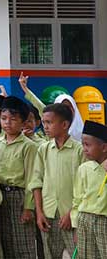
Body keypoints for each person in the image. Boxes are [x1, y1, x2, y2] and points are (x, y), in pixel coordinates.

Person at [30, 103, 83, 259]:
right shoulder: (44, 149)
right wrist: (39, 212)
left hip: (72, 215)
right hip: (48, 214)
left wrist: (71, 213)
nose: (45, 126)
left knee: (77, 253)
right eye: (43, 122)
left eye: (49, 122)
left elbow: (84, 187)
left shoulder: (79, 150)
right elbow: (36, 182)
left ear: (65, 124)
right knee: (50, 254)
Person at [0, 96, 37, 259]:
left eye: (13, 119)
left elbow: (32, 177)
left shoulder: (29, 146)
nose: (7, 123)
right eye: (3, 118)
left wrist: (28, 207)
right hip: (0, 194)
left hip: (19, 196)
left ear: (23, 123)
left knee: (23, 242)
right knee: (4, 240)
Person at [72, 120, 107, 258]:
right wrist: (75, 226)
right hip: (84, 220)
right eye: (82, 144)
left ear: (104, 147)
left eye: (88, 145)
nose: (84, 148)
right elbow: (77, 199)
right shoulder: (84, 169)